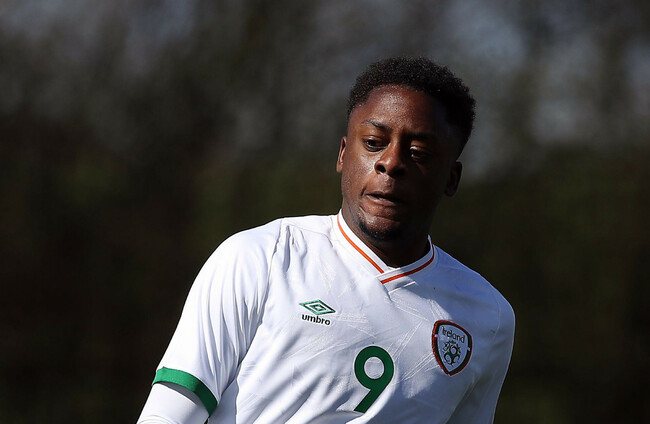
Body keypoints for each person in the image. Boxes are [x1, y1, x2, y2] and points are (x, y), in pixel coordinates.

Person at [137, 57, 515, 423]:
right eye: (373, 142)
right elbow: (168, 414)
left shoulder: (489, 316)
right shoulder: (260, 257)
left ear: (451, 178)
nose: (391, 163)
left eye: (419, 153)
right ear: (343, 154)